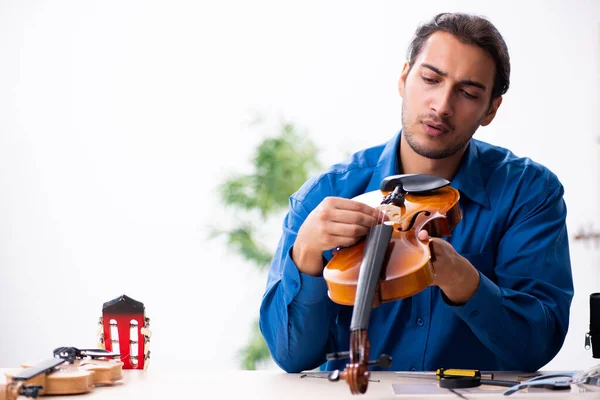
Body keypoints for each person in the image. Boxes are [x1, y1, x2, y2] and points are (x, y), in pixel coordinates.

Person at [258, 12, 574, 373]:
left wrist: (463, 281)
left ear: (490, 109)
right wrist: (307, 252)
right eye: (429, 79)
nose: (441, 106)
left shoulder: (530, 193)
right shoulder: (326, 194)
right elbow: (290, 356)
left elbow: (538, 345)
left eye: (469, 92)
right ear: (404, 78)